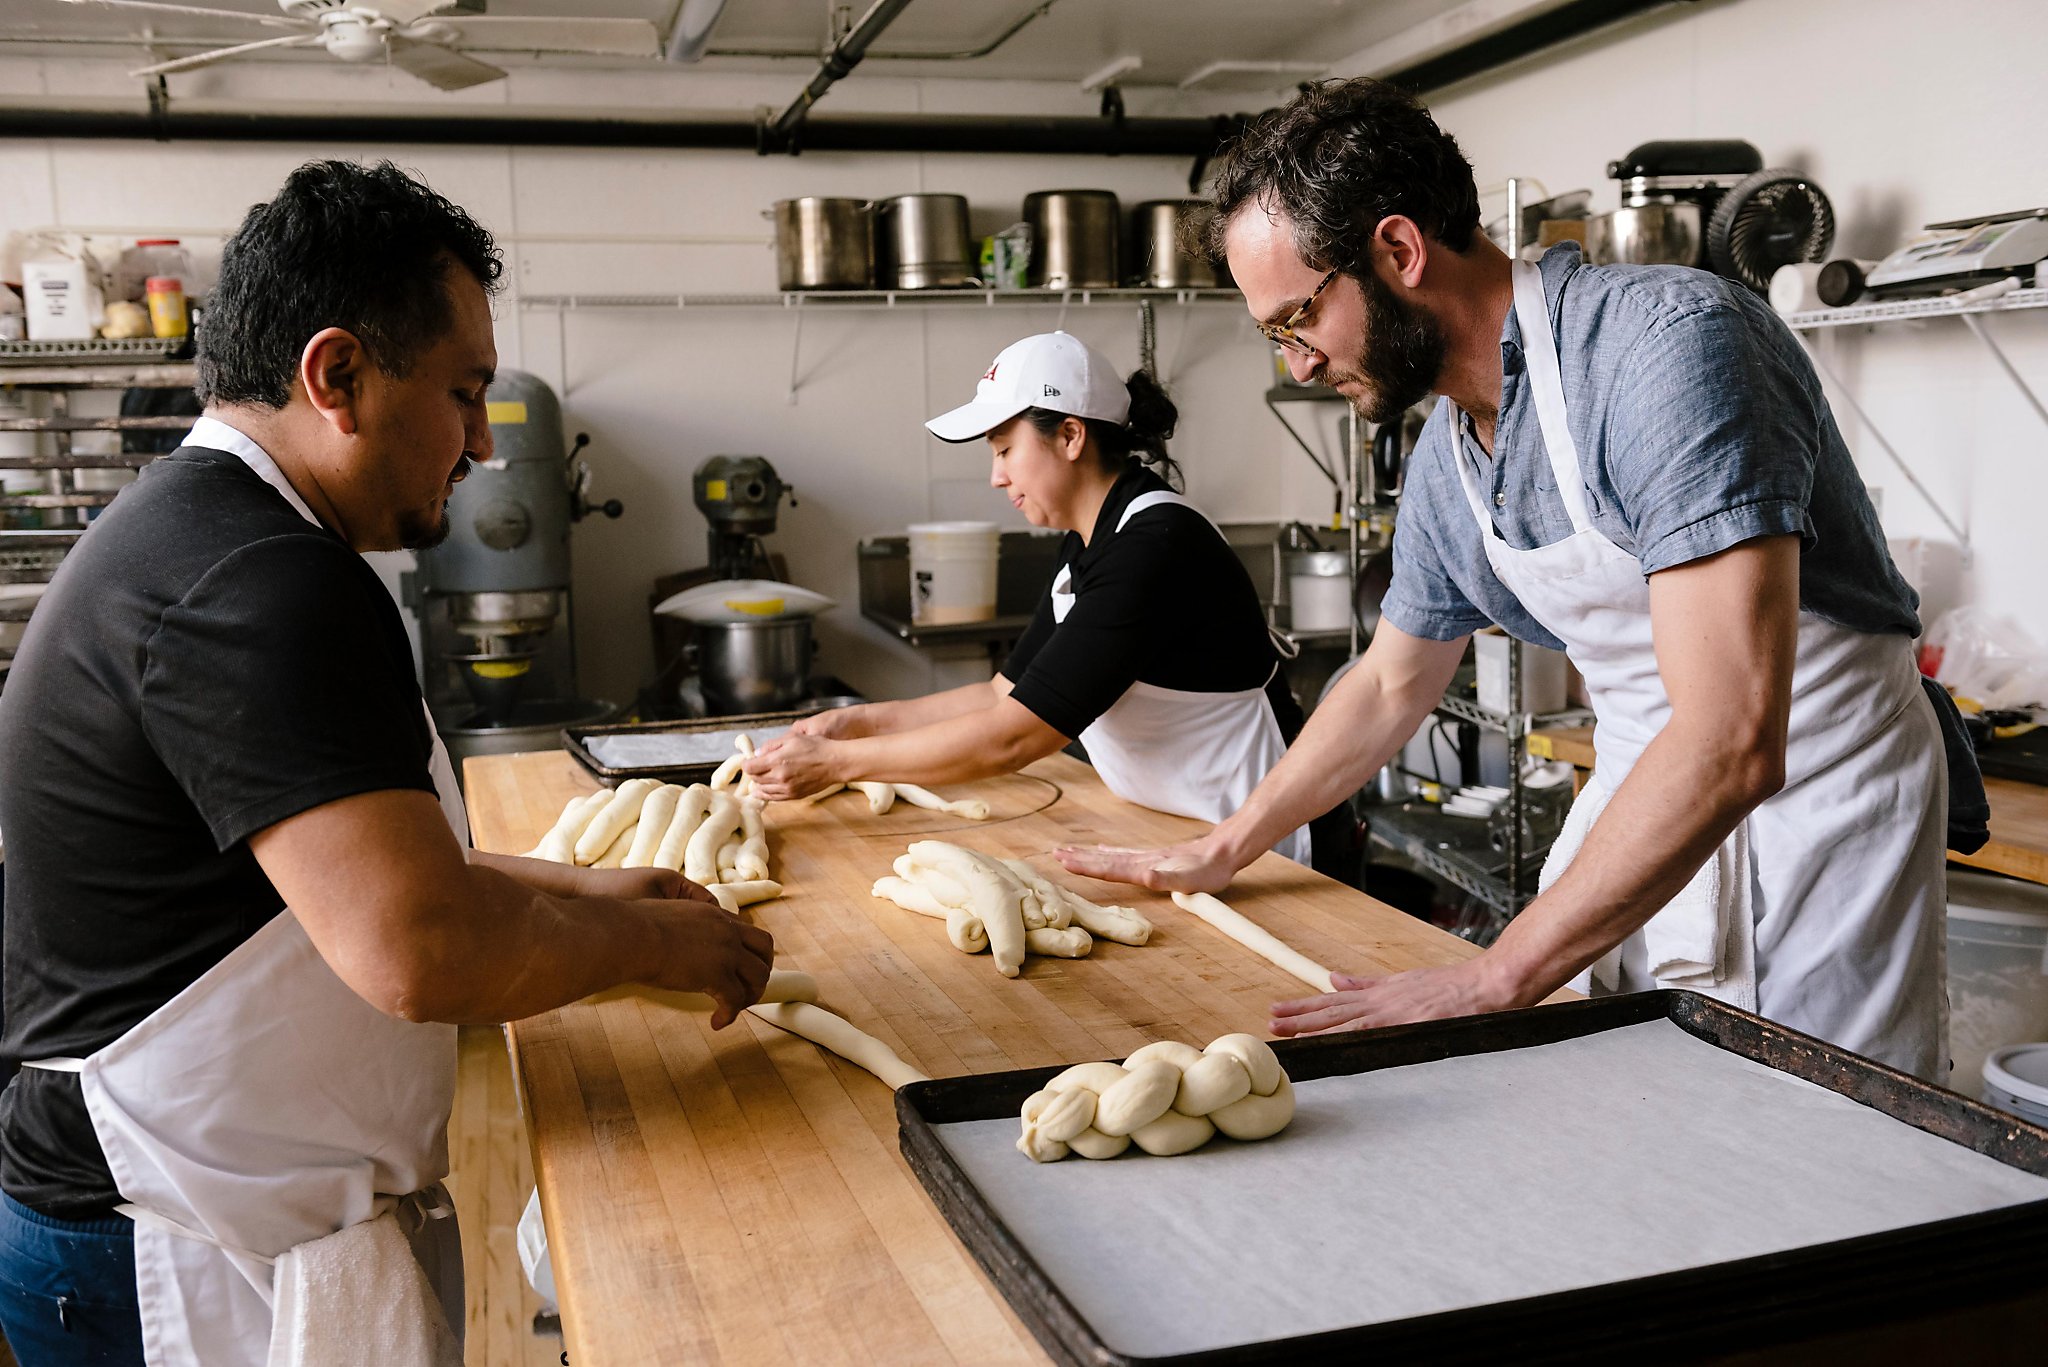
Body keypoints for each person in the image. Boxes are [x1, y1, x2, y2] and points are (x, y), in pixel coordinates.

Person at [0, 160, 773, 1364]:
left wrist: (576, 887)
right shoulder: (256, 581)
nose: (476, 441)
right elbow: (420, 950)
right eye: (464, 392)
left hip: (197, 1206)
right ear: (338, 374)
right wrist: (652, 946)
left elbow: (320, 878)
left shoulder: (207, 535)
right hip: (170, 1252)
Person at [1059, 79, 1983, 1082]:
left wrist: (1495, 974)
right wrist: (1227, 844)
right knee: (1644, 1113)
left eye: (1296, 320)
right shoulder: (1450, 456)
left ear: (1398, 251)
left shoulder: (1665, 349)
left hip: (1812, 802)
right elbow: (1385, 683)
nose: (1297, 365)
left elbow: (1727, 737)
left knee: (1823, 1153)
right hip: (1643, 788)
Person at [745, 331, 1334, 865]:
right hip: (1179, 832)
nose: (995, 476)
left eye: (1004, 449)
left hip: (1267, 847)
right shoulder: (1089, 542)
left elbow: (1018, 734)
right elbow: (1001, 694)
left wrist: (837, 765)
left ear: (1071, 437)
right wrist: (859, 725)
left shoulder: (1154, 546)